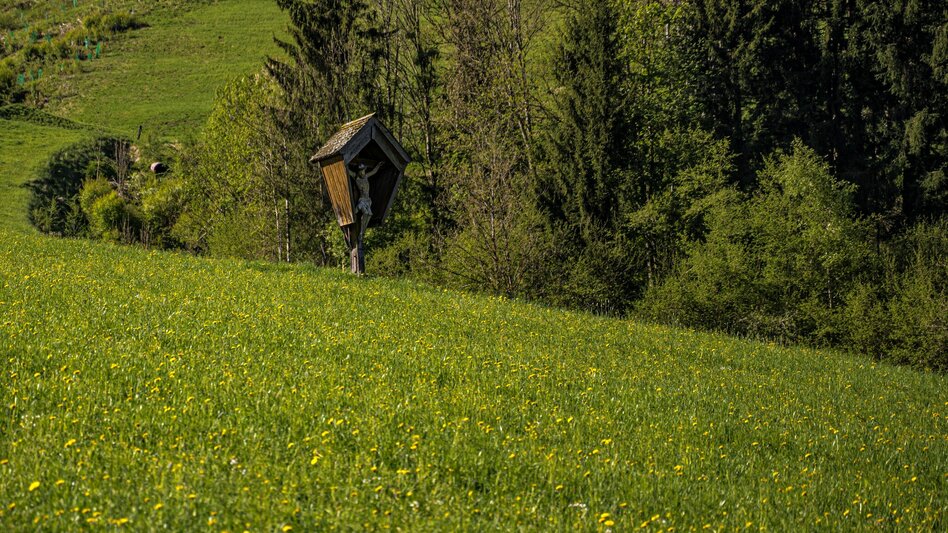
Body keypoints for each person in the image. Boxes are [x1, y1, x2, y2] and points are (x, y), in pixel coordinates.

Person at [347, 161, 383, 242]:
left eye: (363, 171)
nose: (362, 173)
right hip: (362, 200)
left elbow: (374, 171)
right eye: (361, 171)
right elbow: (348, 170)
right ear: (358, 172)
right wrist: (343, 163)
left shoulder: (366, 176)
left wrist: (378, 165)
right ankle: (358, 209)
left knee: (369, 215)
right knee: (366, 213)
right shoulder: (356, 177)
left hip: (368, 200)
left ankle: (362, 232)